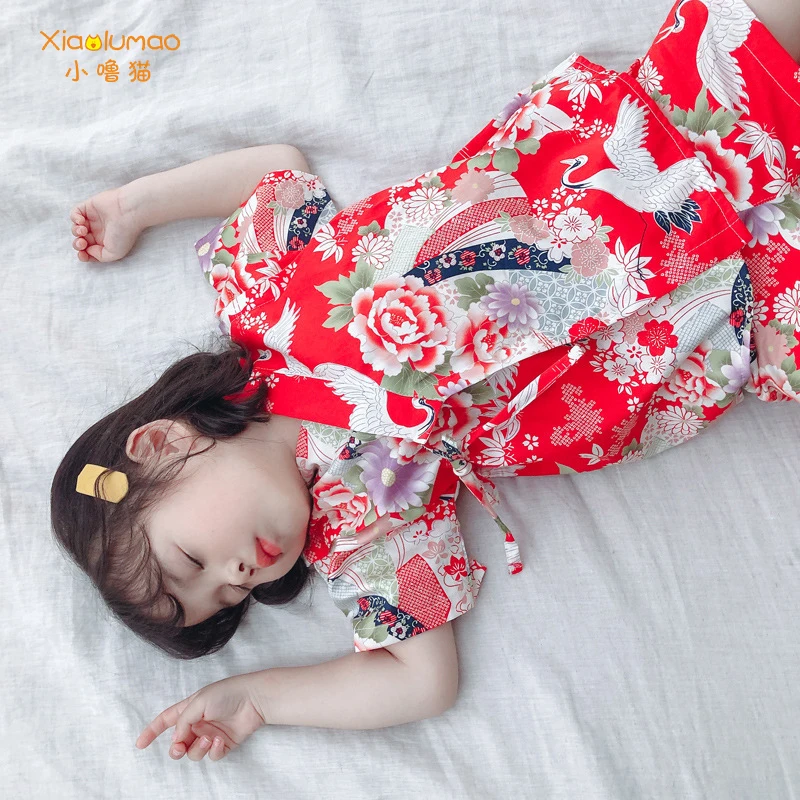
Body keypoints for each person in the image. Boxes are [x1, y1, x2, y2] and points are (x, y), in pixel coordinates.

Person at [56, 0, 799, 759]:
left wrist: (136, 205)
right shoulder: (358, 525)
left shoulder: (261, 299)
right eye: (227, 597)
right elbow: (420, 682)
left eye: (192, 561)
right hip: (734, 326)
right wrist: (256, 698)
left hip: (641, 145)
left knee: (748, 25)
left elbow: (272, 169)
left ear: (160, 444)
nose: (238, 574)